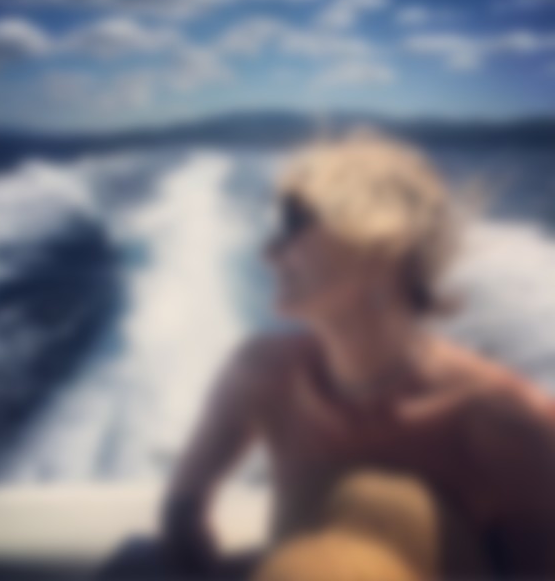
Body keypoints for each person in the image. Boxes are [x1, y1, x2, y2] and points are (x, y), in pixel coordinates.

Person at [106, 132, 555, 580]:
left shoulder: (507, 422)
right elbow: (182, 511)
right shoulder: (258, 374)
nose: (268, 252)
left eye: (294, 223)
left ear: (381, 243)